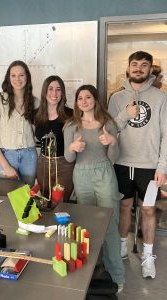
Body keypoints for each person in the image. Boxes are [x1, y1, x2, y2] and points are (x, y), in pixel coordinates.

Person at [108, 51, 167, 279]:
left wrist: (162, 167)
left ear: (151, 69)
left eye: (144, 65)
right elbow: (109, 130)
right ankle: (122, 247)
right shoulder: (116, 98)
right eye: (135, 64)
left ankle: (148, 256)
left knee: (149, 210)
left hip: (150, 167)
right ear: (128, 67)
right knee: (124, 207)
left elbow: (165, 135)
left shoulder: (161, 98)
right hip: (122, 164)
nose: (139, 69)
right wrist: (125, 114)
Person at [64, 84, 125, 291]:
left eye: (88, 97)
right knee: (86, 227)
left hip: (105, 173)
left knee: (109, 224)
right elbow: (68, 157)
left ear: (95, 100)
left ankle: (117, 275)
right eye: (80, 98)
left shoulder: (107, 123)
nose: (84, 101)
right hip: (81, 175)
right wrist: (72, 147)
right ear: (76, 102)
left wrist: (113, 141)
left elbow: (114, 158)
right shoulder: (71, 125)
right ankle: (90, 276)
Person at [0, 60, 38, 187]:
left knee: (26, 198)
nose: (17, 79)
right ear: (8, 78)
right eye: (13, 75)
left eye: (21, 75)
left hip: (29, 156)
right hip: (7, 156)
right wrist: (5, 166)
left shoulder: (36, 102)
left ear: (27, 77)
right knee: (7, 196)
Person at [34, 75, 74, 204]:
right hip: (43, 164)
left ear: (62, 92)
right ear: (44, 91)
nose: (54, 93)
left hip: (64, 165)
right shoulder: (36, 115)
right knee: (44, 203)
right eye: (50, 89)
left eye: (58, 89)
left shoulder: (71, 115)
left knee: (60, 205)